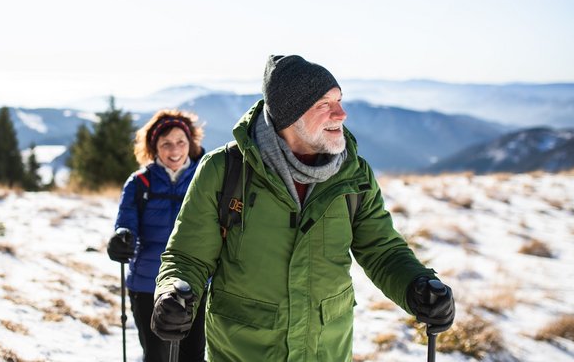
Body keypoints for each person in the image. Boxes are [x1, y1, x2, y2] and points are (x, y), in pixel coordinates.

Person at [150, 55, 455, 361]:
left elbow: (383, 251)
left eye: (339, 100)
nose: (342, 113)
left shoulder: (354, 174)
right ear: (290, 116)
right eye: (325, 104)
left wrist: (416, 285)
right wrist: (172, 292)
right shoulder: (226, 169)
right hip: (242, 352)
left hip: (326, 351)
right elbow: (188, 256)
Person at [107, 109, 206, 362]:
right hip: (147, 285)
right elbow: (126, 222)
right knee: (156, 356)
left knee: (192, 356)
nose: (174, 150)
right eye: (166, 144)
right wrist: (122, 238)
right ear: (154, 147)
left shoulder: (205, 179)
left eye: (181, 142)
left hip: (195, 285)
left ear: (191, 144)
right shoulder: (140, 183)